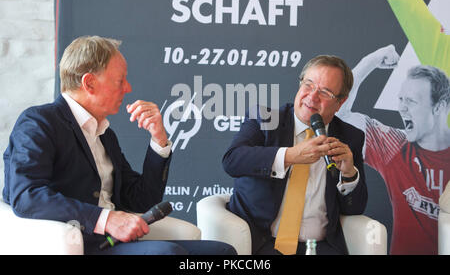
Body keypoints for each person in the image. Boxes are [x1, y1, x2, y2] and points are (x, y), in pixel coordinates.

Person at [2, 35, 236, 255]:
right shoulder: (39, 122)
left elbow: (141, 200)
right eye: (120, 80)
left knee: (222, 252)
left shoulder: (105, 133)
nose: (128, 88)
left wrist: (159, 140)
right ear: (89, 83)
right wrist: (106, 219)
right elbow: (26, 195)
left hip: (118, 243)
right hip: (83, 245)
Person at [223, 55, 368, 255]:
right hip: (263, 244)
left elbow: (355, 209)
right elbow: (232, 161)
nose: (312, 97)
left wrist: (350, 174)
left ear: (340, 103)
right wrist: (290, 155)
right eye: (309, 84)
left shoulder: (349, 137)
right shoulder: (264, 119)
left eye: (325, 92)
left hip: (320, 248)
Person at [337, 45, 450, 254]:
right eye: (401, 99)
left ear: (439, 107)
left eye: (412, 101)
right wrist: (370, 61)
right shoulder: (395, 146)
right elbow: (339, 117)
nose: (402, 108)